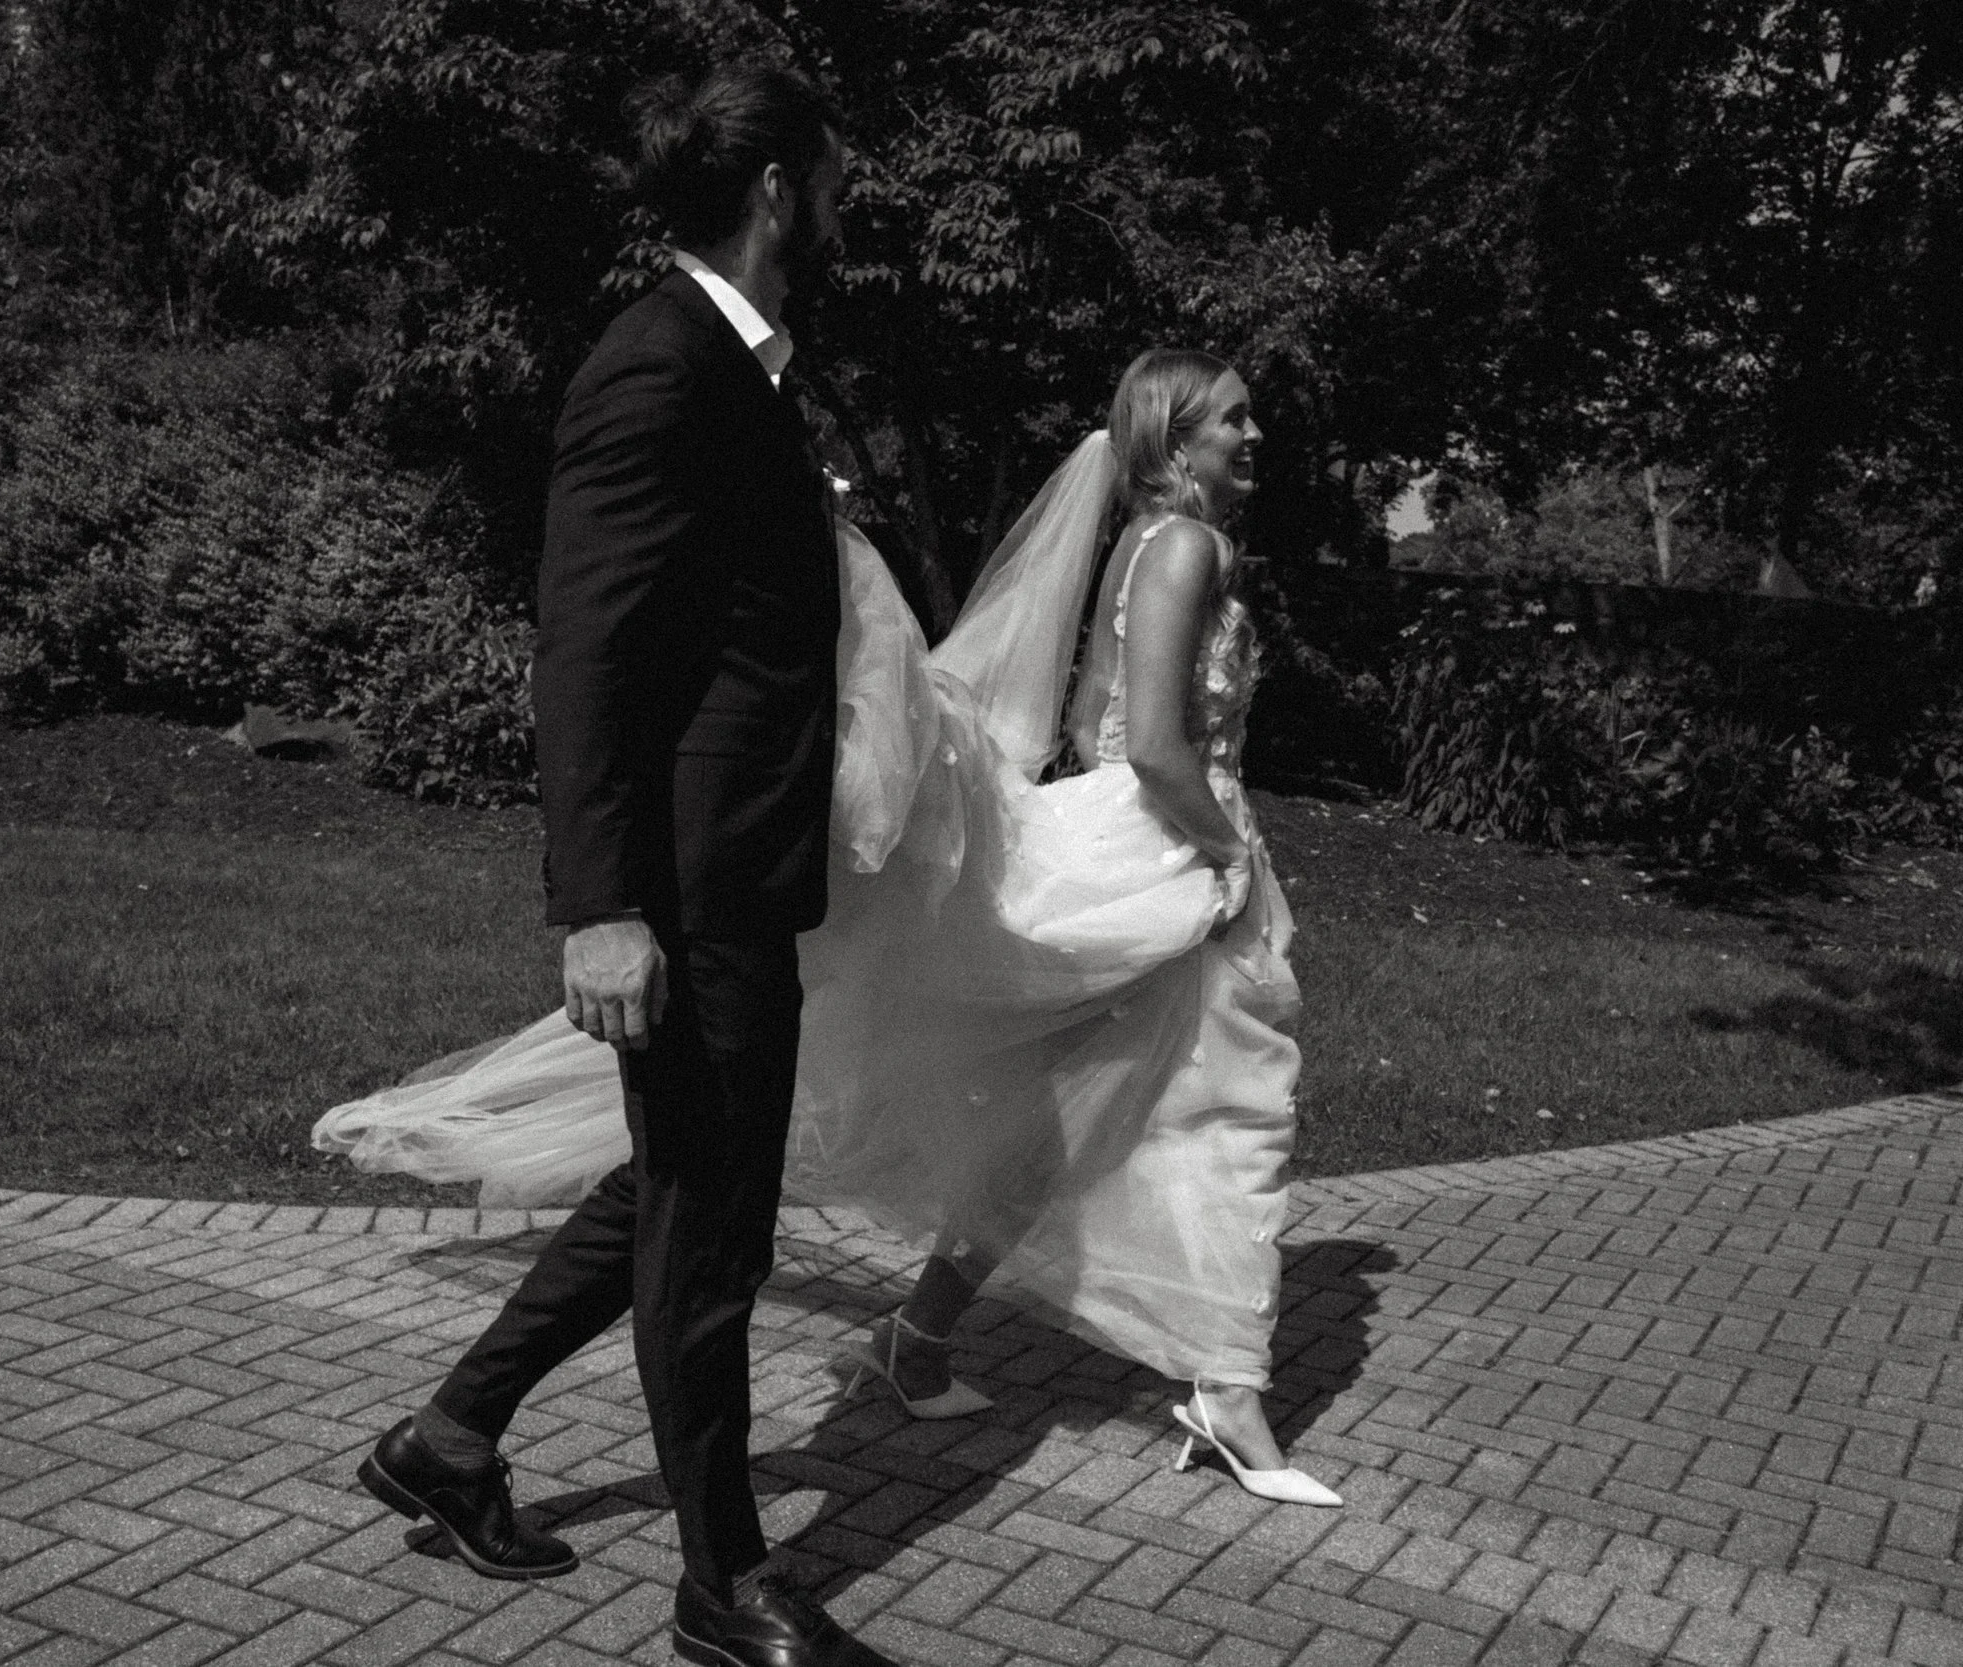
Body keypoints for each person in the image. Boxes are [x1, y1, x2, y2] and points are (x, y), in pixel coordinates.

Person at [322, 352, 1339, 1514]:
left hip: (989, 859)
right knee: (1203, 1111)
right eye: (1233, 417)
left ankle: (890, 1369)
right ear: (1168, 438)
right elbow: (1151, 746)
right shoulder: (1179, 550)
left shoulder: (1141, 547)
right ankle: (663, 1528)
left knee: (1066, 1121)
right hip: (1122, 856)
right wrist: (1224, 849)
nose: (1255, 434)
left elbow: (1094, 720)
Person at [346, 61, 900, 1667]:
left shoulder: (743, 372)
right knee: (710, 1228)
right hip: (686, 883)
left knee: (679, 1185)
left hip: (739, 868)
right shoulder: (658, 364)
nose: (845, 201)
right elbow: (583, 653)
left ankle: (451, 1437)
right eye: (836, 174)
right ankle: (725, 1582)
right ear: (782, 186)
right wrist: (598, 905)